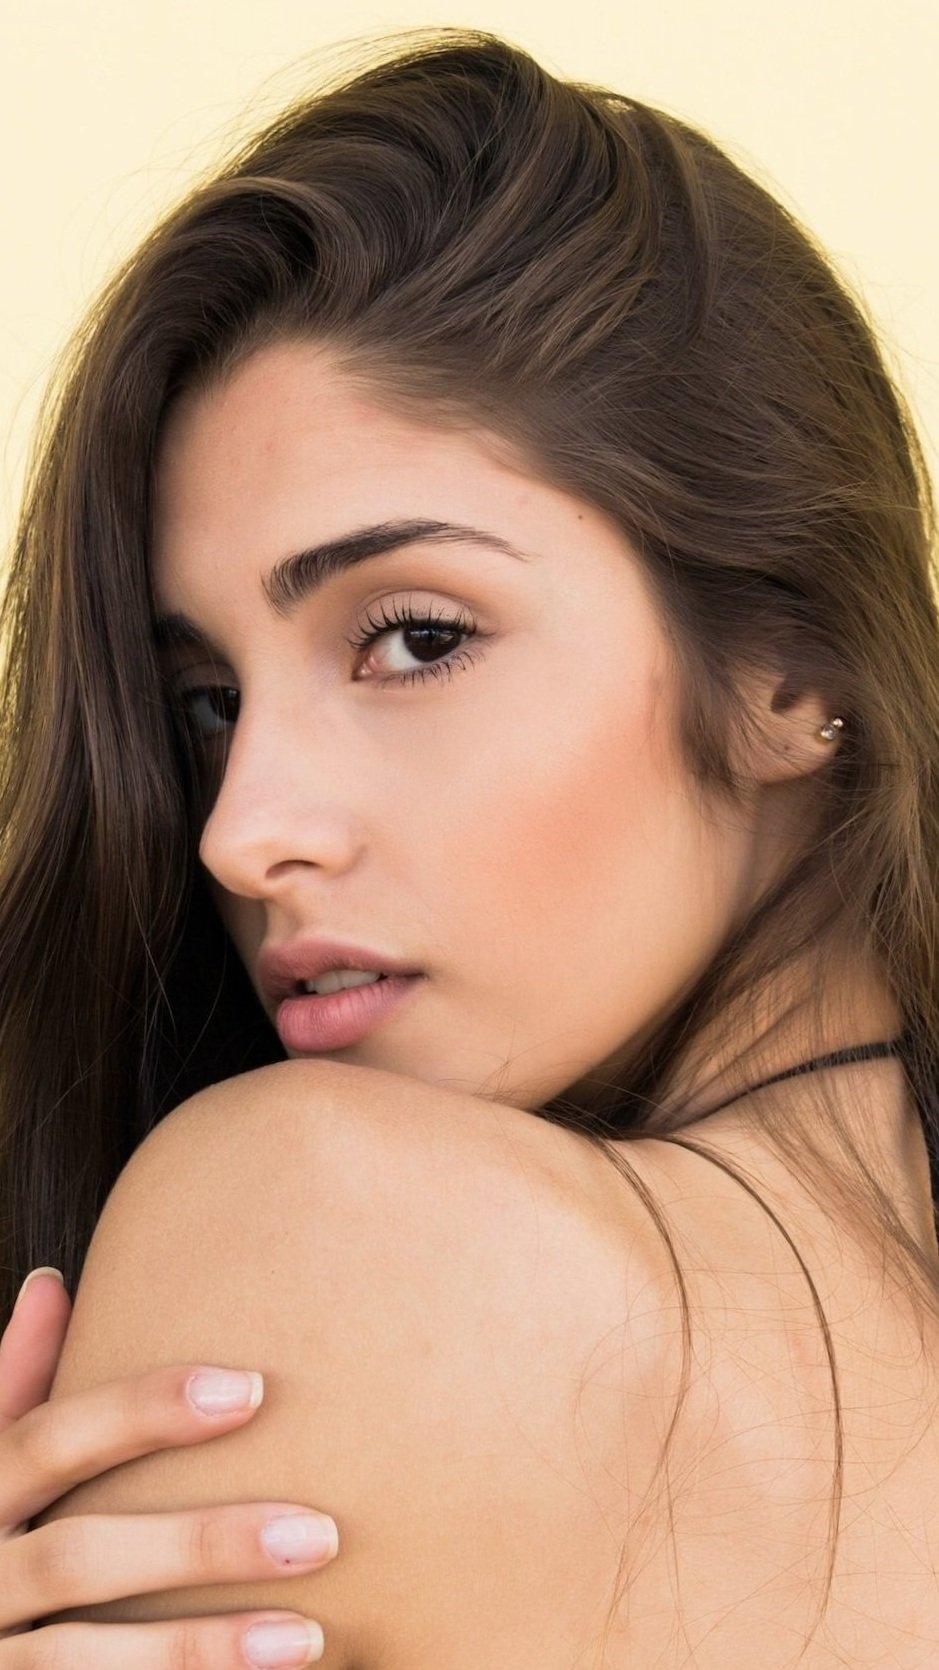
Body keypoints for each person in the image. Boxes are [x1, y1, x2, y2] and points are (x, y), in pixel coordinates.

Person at [1, 23, 937, 1666]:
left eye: (416, 639)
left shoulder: (322, 1229)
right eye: (207, 701)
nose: (240, 833)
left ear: (795, 673)